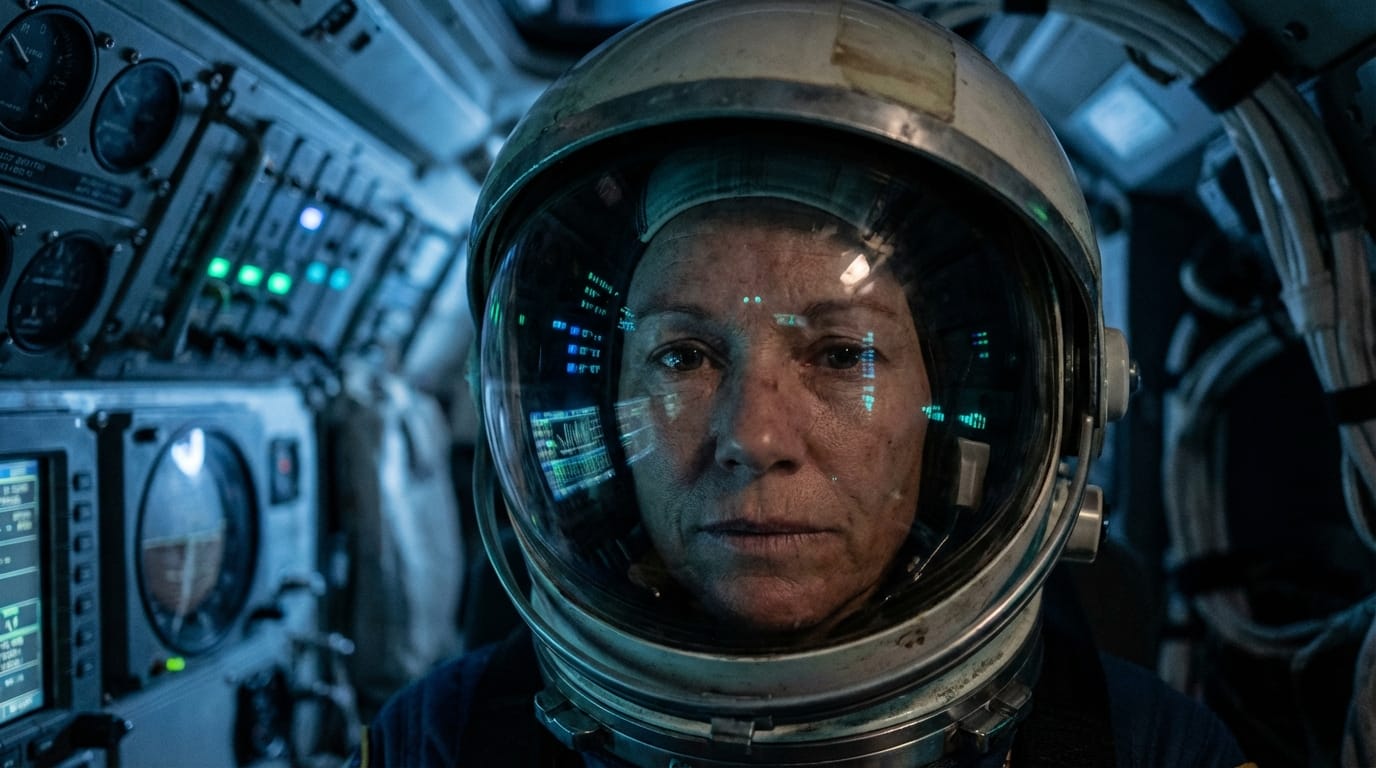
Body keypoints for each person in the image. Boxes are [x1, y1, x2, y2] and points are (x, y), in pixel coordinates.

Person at [356, 0, 1254, 765]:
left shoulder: (1149, 748)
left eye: (839, 356)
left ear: (944, 429)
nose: (752, 437)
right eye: (684, 357)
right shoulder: (443, 738)